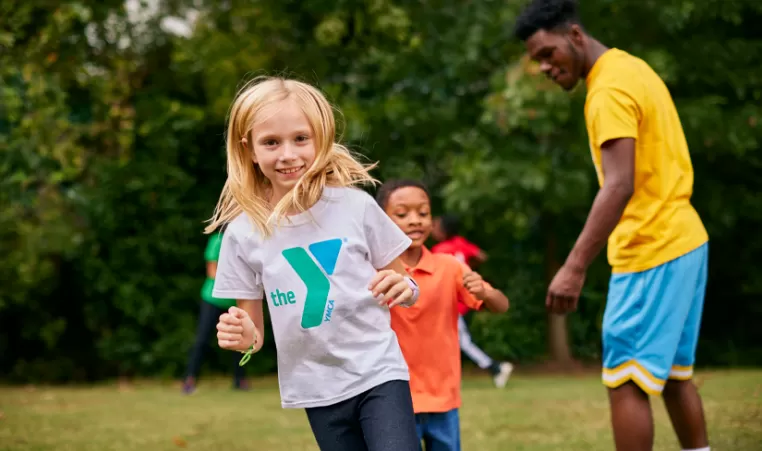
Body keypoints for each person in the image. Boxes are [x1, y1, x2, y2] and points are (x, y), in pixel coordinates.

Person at [514, 2, 711, 451]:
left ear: (576, 35)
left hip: (651, 246)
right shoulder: (631, 67)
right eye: (536, 60)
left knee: (625, 381)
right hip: (685, 238)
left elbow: (619, 184)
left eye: (548, 53)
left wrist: (574, 265)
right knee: (675, 377)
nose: (544, 67)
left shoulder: (607, 92)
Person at [207, 76, 421, 451]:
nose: (288, 154)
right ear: (250, 150)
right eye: (271, 142)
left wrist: (406, 288)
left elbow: (406, 285)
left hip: (378, 371)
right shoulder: (242, 234)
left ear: (320, 139)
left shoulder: (356, 207)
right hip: (315, 386)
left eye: (300, 139)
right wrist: (244, 338)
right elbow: (254, 335)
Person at [376, 179, 510, 451]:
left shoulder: (449, 267)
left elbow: (501, 305)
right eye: (402, 214)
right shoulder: (373, 270)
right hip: (393, 400)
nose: (415, 221)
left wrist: (485, 294)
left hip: (444, 399)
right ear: (380, 220)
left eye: (423, 213)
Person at [431, 215, 513, 388]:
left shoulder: (439, 251)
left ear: (445, 230)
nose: (432, 229)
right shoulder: (462, 243)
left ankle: (495, 367)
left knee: (461, 342)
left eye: (436, 226)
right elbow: (482, 256)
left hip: (450, 302)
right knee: (453, 341)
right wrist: (468, 267)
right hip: (465, 300)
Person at [181, 230, 248, 394]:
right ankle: (189, 379)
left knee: (239, 340)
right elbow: (212, 272)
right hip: (213, 300)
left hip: (235, 301)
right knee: (202, 340)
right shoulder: (217, 241)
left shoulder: (245, 241)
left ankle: (240, 381)